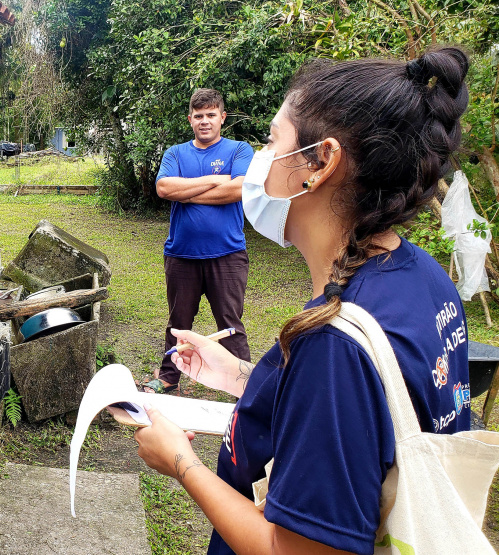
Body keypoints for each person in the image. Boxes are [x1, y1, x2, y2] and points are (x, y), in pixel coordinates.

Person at [135, 47, 471, 554]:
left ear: (321, 163)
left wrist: (181, 463)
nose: (261, 160)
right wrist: (240, 375)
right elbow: (357, 415)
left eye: (273, 141)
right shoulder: (425, 277)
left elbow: (294, 549)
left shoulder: (334, 344)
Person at [146, 89, 255, 394]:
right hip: (181, 255)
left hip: (228, 254)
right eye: (198, 116)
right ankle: (168, 377)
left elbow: (239, 189)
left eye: (210, 115)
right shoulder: (175, 154)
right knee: (178, 323)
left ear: (222, 117)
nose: (204, 121)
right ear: (190, 119)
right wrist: (217, 180)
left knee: (230, 324)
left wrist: (187, 192)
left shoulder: (239, 150)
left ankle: (247, 387)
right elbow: (164, 189)